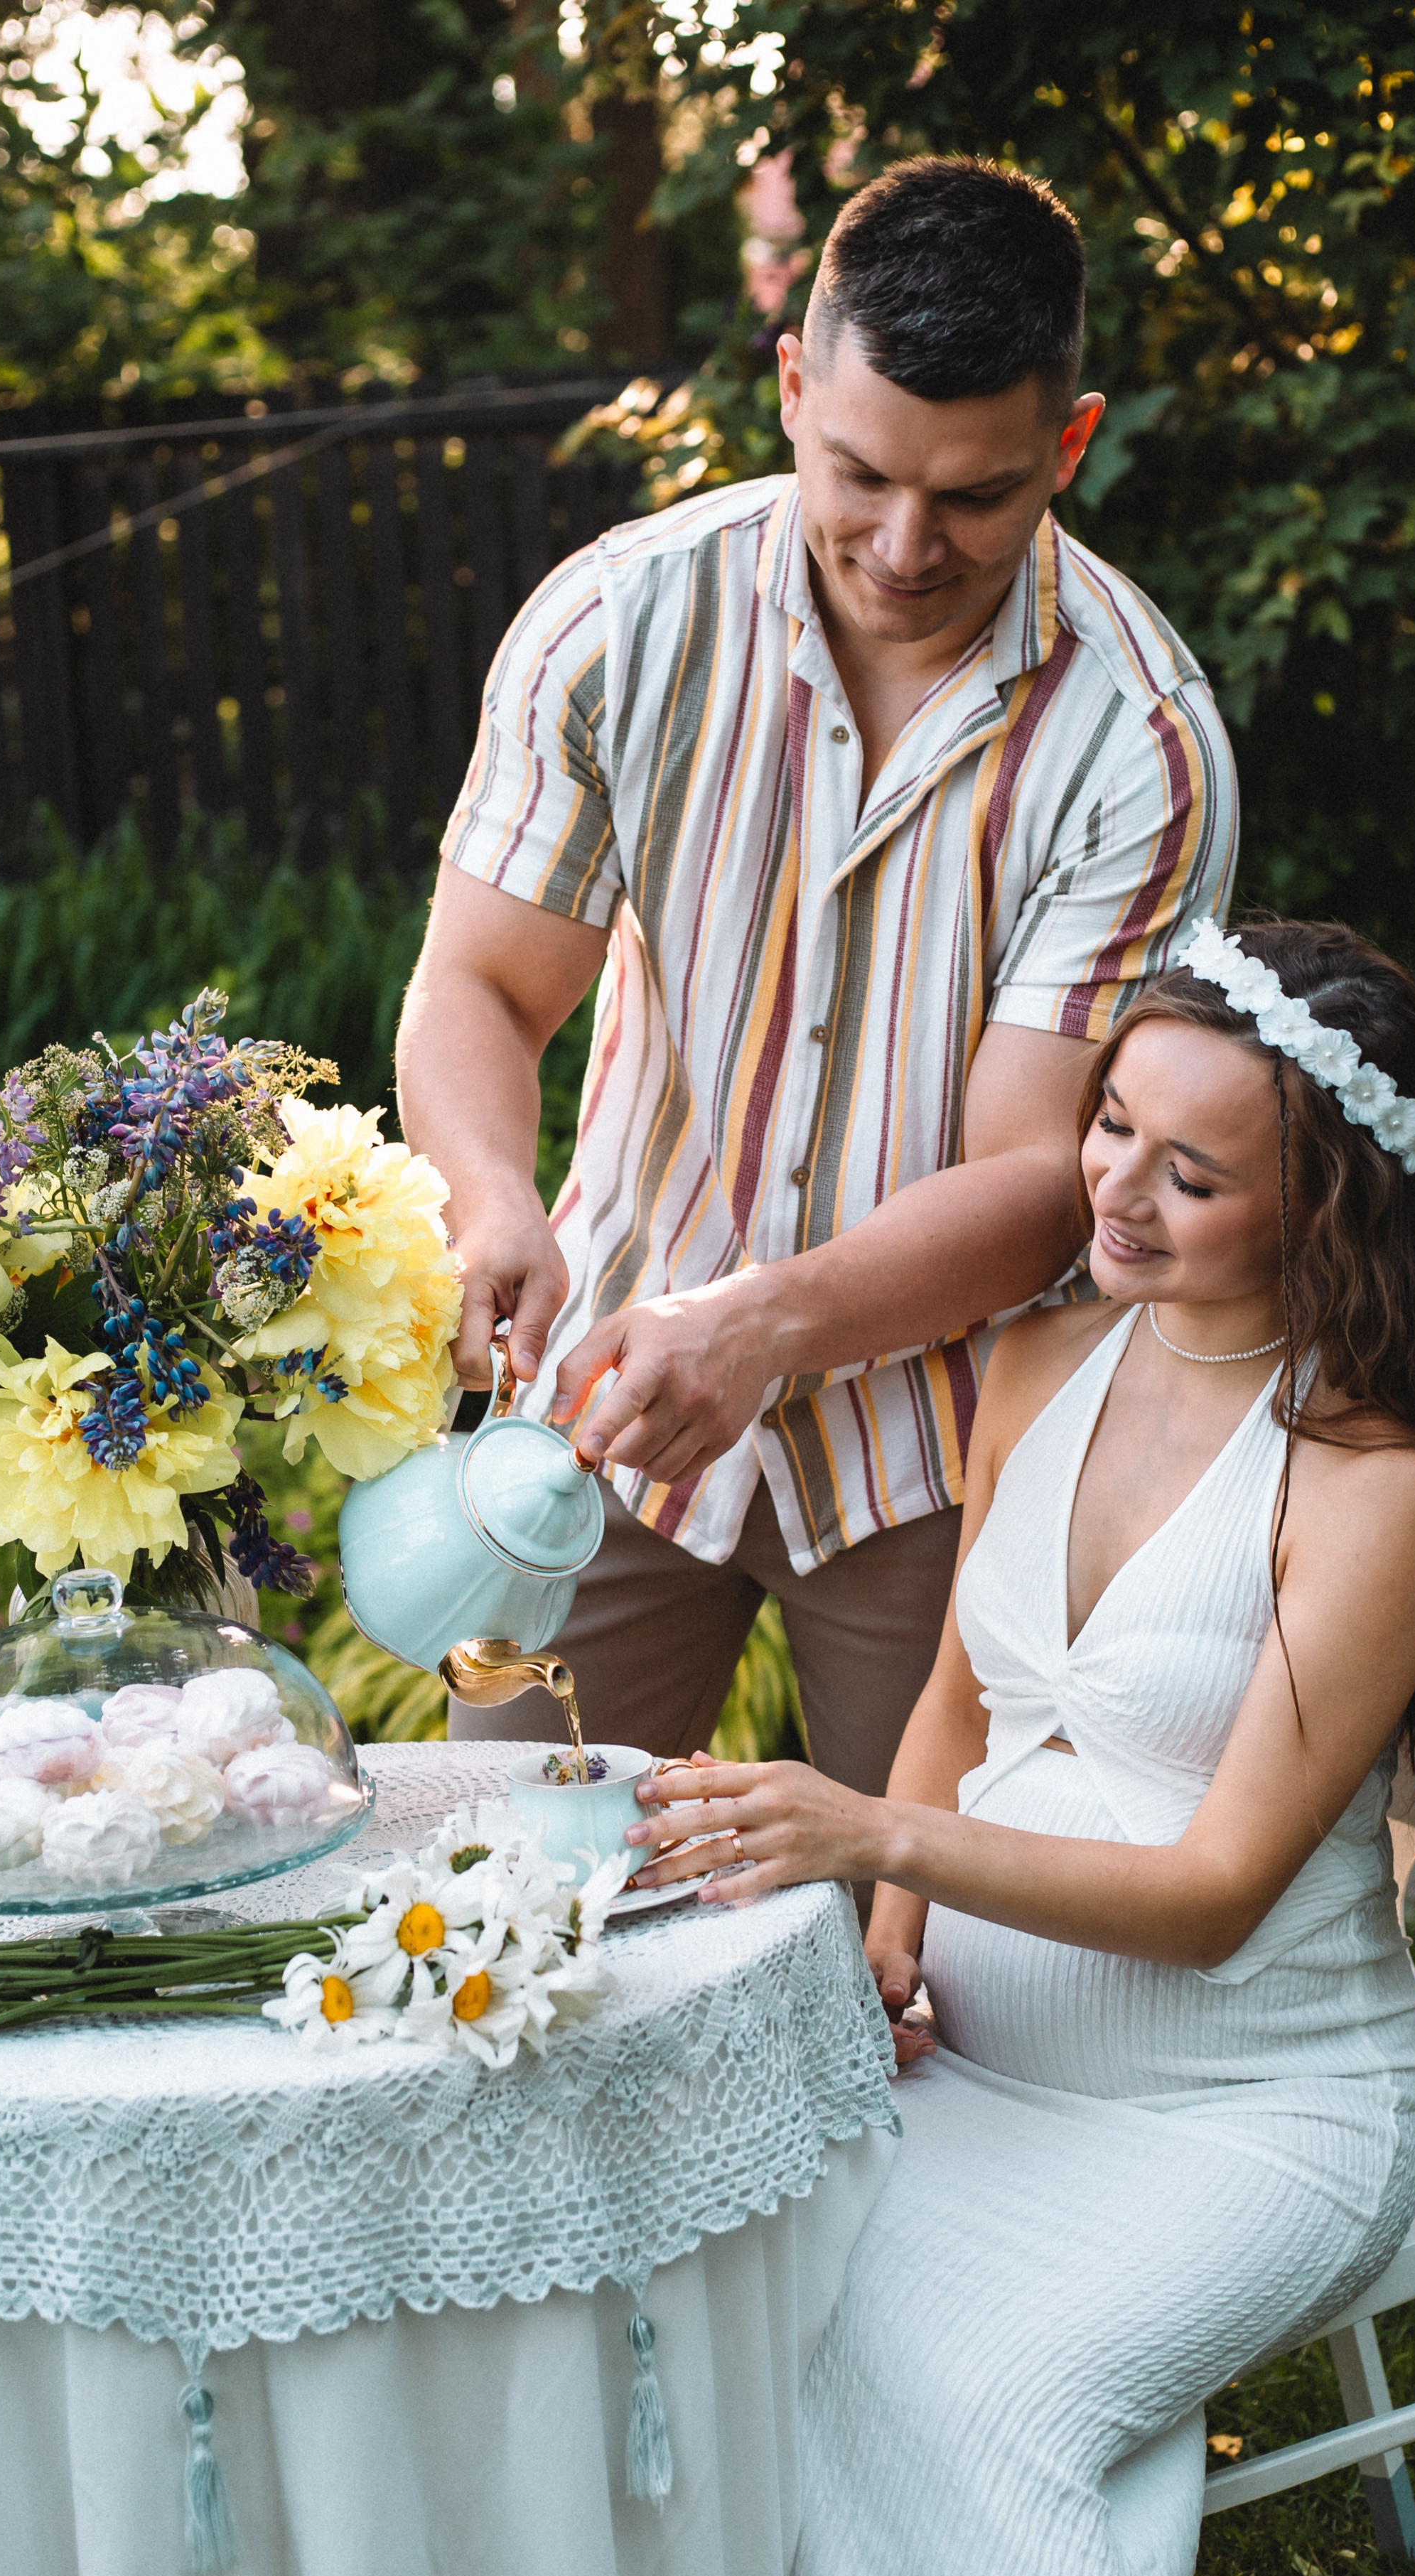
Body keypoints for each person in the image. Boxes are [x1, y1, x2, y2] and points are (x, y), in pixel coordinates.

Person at [625, 917, 1415, 2576]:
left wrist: (870, 1848)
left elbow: (1209, 1900)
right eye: (1107, 1123)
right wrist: (887, 1951)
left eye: (1188, 1173)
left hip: (1248, 2120)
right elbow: (969, 1697)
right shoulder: (1042, 1361)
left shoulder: (1367, 1482)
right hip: (978, 2074)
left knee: (968, 2393)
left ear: (1319, 1210)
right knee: (746, 2321)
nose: (1111, 1190)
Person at [397, 155, 1238, 1797]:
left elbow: (1039, 1178)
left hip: (949, 1449)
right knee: (508, 1894)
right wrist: (491, 1198)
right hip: (607, 1407)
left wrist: (765, 1325)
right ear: (791, 384)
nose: (906, 544)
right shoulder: (615, 625)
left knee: (934, 1986)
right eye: (858, 473)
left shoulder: (1140, 745)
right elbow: (479, 991)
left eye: (978, 496)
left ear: (1068, 445)